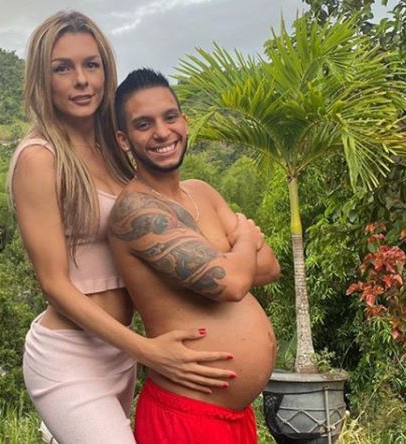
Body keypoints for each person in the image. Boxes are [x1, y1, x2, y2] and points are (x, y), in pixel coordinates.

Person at [8, 12, 236, 444]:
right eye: (63, 68)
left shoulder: (115, 148)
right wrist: (147, 351)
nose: (81, 80)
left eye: (91, 65)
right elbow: (54, 284)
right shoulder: (40, 158)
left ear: (106, 70)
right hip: (69, 354)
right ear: (43, 77)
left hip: (117, 351)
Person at [109, 68, 281, 444]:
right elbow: (233, 283)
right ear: (124, 140)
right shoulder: (136, 211)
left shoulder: (202, 191)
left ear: (184, 122)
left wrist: (229, 260)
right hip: (186, 418)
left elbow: (269, 266)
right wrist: (243, 240)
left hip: (236, 418)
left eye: (169, 117)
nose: (162, 132)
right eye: (143, 124)